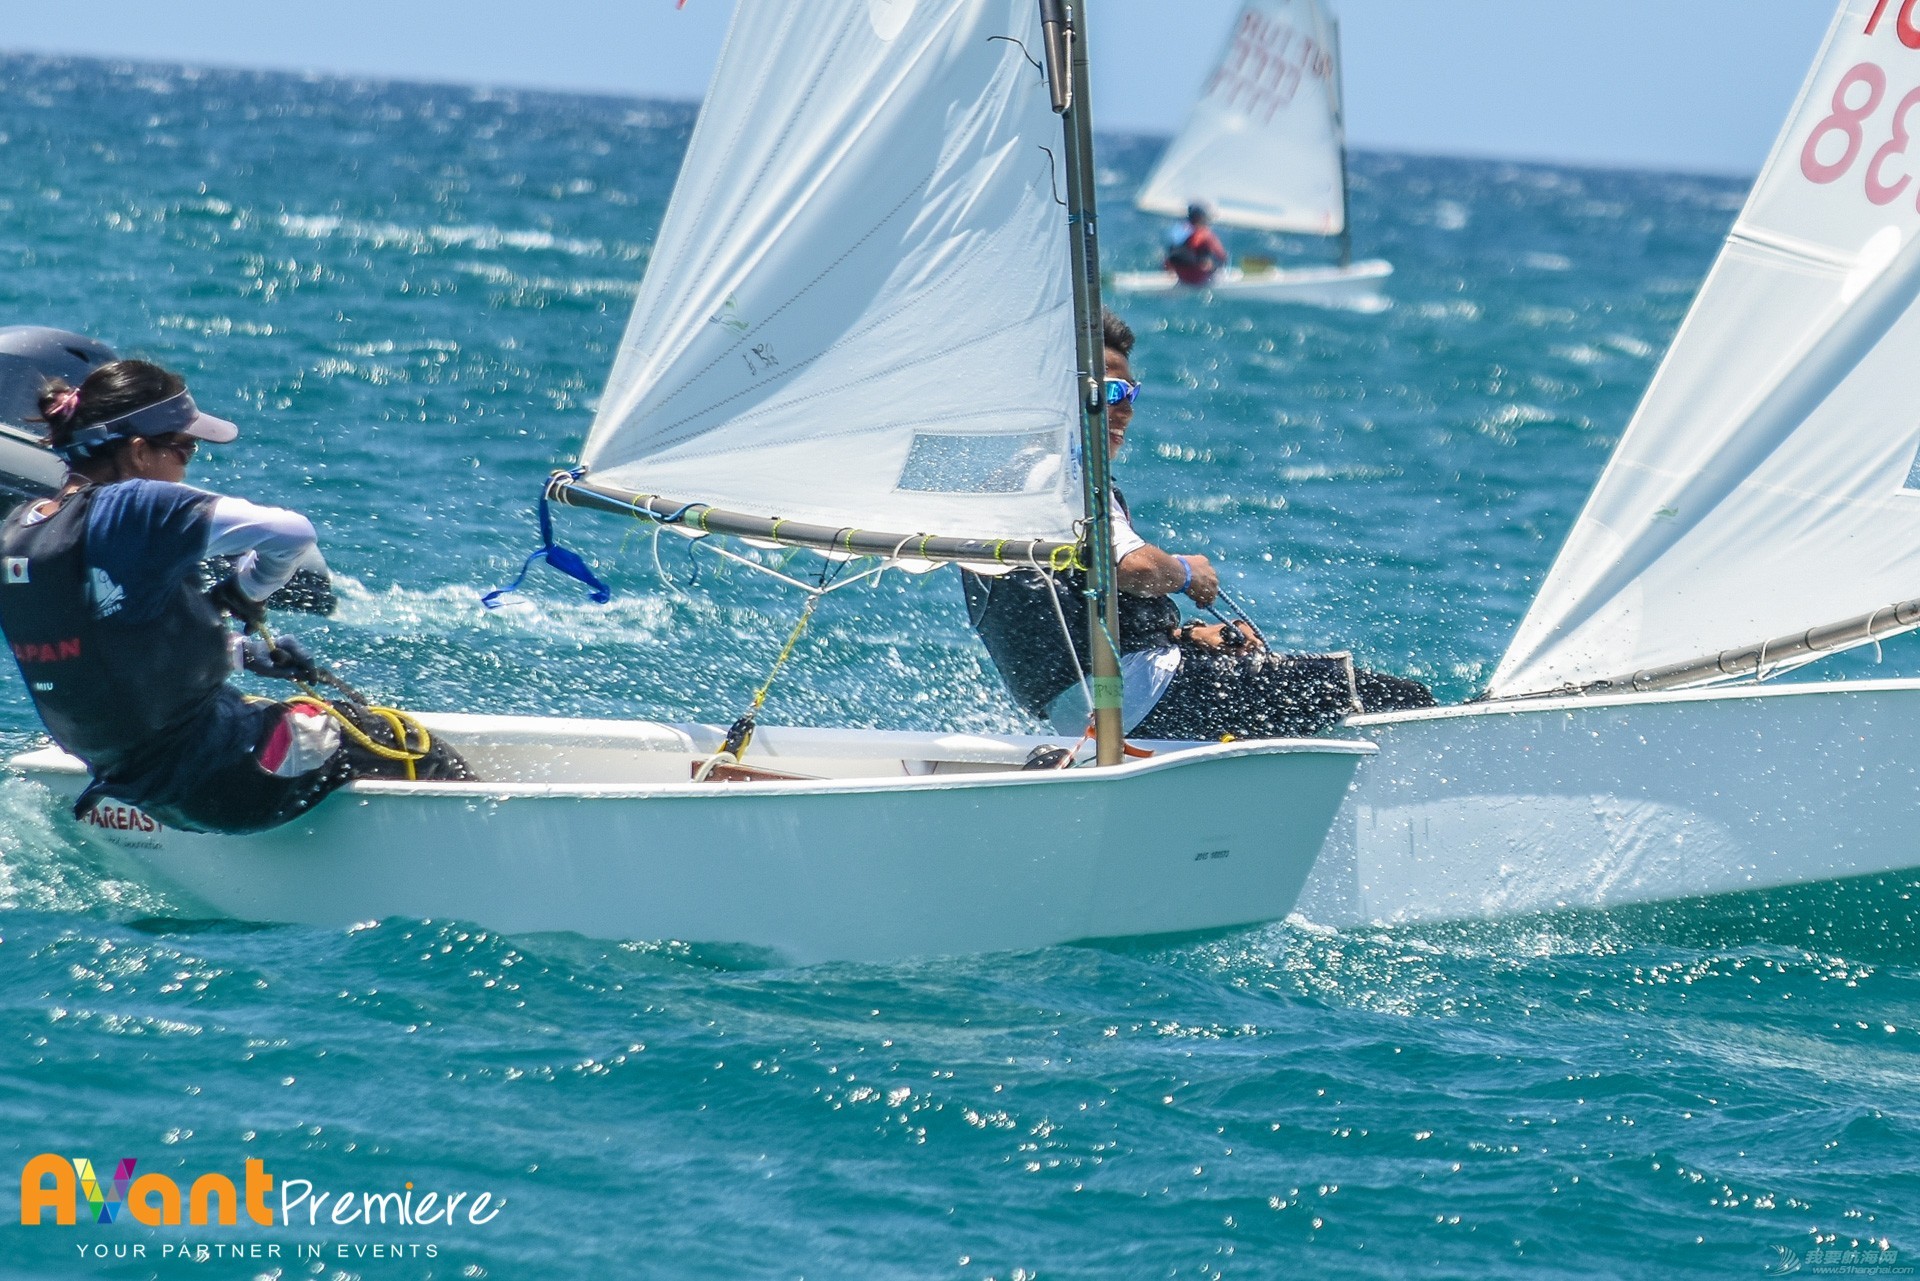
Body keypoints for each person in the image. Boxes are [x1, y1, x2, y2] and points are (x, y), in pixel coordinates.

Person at [0, 358, 467, 835]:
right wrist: (246, 591)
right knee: (405, 741)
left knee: (275, 716)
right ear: (140, 452)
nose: (187, 464)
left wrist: (239, 653)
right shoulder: (131, 506)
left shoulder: (21, 533)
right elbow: (290, 532)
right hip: (227, 778)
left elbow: (99, 650)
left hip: (144, 788)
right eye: (186, 449)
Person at [962, 311, 1432, 742]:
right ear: (1061, 397)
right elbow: (1134, 570)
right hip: (1136, 701)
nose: (1124, 409)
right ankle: (1449, 747)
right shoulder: (1066, 478)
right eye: (1109, 393)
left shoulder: (1005, 484)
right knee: (1350, 688)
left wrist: (1188, 636)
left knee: (1264, 674)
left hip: (1087, 711)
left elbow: (1071, 607)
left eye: (1131, 393)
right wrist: (1189, 573)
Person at [1165, 203, 1229, 286]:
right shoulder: (1205, 234)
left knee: (1176, 251)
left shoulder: (1182, 231)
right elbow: (1222, 258)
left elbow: (1171, 257)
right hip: (1199, 275)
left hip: (1186, 275)